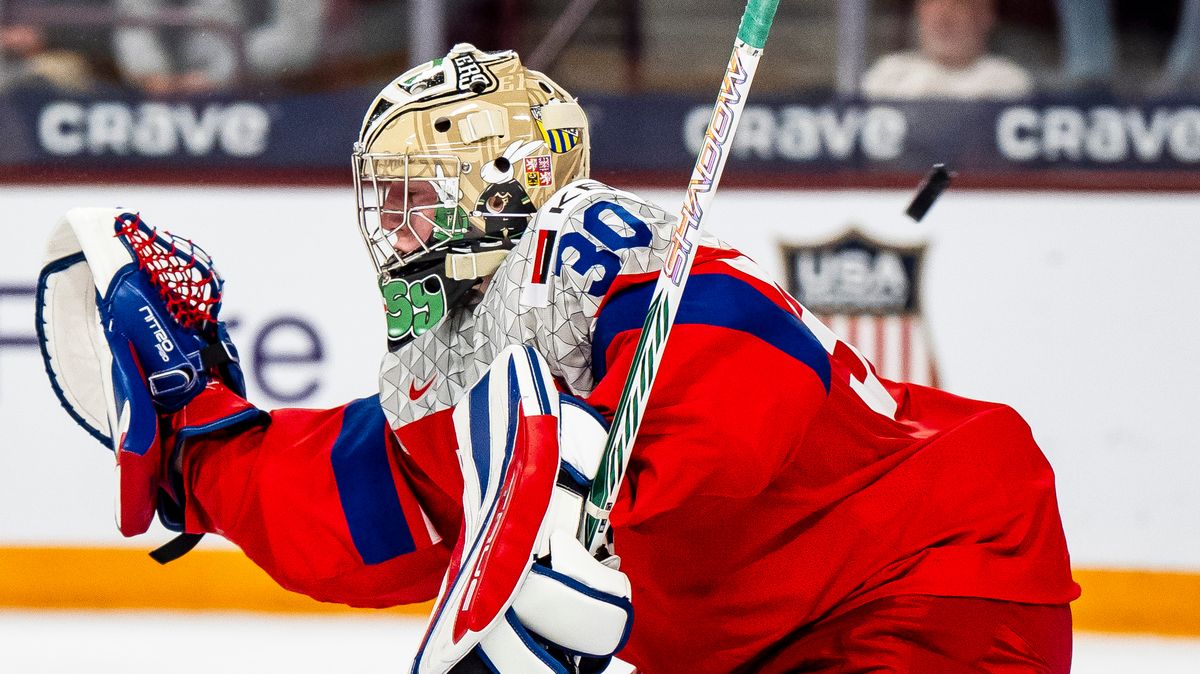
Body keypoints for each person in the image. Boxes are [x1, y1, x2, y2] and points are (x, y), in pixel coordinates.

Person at [40, 44, 1079, 673]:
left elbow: (741, 372)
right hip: (761, 639)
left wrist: (594, 493)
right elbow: (379, 506)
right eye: (385, 197)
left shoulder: (586, 238)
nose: (392, 225)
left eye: (416, 193)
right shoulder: (446, 342)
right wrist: (204, 448)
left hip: (928, 567)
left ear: (505, 183)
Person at [861, 0, 1034, 100]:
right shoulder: (886, 77)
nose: (943, 17)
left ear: (986, 16)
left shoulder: (1010, 84)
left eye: (958, 5)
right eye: (932, 3)